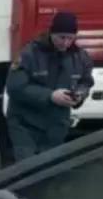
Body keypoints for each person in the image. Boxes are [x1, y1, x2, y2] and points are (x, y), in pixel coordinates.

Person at [5, 11, 94, 162]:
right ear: (52, 33)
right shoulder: (30, 54)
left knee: (48, 172)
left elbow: (85, 82)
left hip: (56, 126)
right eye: (61, 37)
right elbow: (14, 87)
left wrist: (79, 95)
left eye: (70, 38)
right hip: (25, 124)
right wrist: (50, 96)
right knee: (27, 168)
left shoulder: (80, 57)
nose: (65, 43)